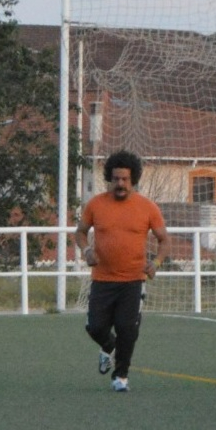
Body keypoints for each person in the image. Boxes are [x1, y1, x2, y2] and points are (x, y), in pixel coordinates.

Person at [75, 150, 170, 392]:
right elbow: (80, 233)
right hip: (102, 279)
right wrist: (86, 252)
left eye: (125, 179)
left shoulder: (147, 207)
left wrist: (156, 263)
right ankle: (108, 346)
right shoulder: (96, 204)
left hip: (133, 280)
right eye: (116, 179)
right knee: (95, 327)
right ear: (109, 178)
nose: (120, 184)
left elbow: (164, 240)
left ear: (133, 179)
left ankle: (121, 377)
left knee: (128, 329)